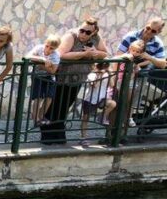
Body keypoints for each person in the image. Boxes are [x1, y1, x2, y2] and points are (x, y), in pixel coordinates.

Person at [40, 17, 108, 145]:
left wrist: (94, 52)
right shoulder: (71, 36)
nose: (83, 34)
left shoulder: (96, 39)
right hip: (62, 76)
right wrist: (83, 55)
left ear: (93, 33)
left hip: (78, 77)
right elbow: (61, 54)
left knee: (65, 106)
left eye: (87, 32)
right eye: (82, 30)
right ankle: (46, 133)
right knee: (55, 105)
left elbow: (105, 53)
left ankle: (59, 133)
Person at [26, 35, 61, 126]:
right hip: (38, 76)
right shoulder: (39, 48)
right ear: (45, 43)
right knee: (38, 97)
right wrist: (42, 59)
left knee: (49, 97)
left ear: (55, 48)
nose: (48, 49)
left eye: (51, 48)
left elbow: (53, 71)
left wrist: (41, 66)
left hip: (50, 77)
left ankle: (41, 116)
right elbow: (28, 56)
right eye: (47, 46)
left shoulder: (56, 55)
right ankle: (35, 118)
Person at [80, 62, 116, 146]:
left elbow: (112, 85)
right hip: (89, 99)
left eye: (105, 65)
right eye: (101, 66)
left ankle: (102, 116)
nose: (103, 67)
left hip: (102, 98)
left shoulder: (107, 74)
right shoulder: (92, 75)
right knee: (85, 118)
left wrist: (109, 74)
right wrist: (99, 75)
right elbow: (94, 85)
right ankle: (83, 138)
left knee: (112, 104)